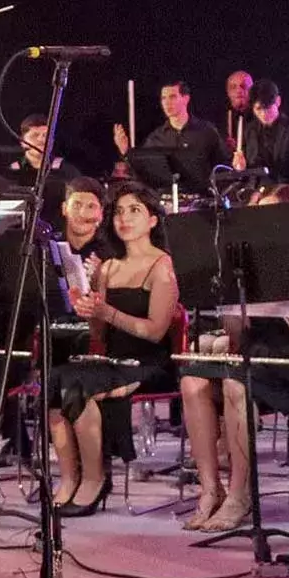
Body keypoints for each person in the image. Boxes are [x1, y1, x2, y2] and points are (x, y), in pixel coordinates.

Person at [176, 185, 289, 532]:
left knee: (235, 383)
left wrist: (283, 305)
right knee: (192, 380)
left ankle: (240, 494)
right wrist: (236, 302)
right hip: (252, 351)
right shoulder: (247, 259)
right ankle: (209, 490)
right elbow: (236, 333)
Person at [46, 182, 178, 518]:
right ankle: (69, 476)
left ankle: (95, 478)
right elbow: (99, 334)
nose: (124, 218)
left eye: (134, 210)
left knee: (81, 387)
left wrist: (109, 313)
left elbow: (156, 331)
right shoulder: (107, 267)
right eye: (119, 211)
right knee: (53, 382)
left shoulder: (162, 266)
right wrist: (87, 307)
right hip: (111, 359)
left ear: (152, 220)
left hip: (149, 362)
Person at [114, 81, 228, 195]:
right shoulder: (155, 138)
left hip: (202, 201)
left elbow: (224, 166)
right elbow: (143, 176)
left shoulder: (206, 131)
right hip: (168, 202)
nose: (167, 103)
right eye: (163, 98)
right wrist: (126, 152)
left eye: (172, 97)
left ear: (186, 99)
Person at [233, 79, 289, 187]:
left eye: (267, 108)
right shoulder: (249, 131)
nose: (263, 114)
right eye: (258, 109)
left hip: (285, 192)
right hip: (256, 194)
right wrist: (240, 168)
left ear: (278, 101)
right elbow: (245, 176)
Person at [222, 70, 254, 146]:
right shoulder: (218, 119)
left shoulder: (260, 118)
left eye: (244, 86)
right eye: (233, 87)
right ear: (228, 92)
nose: (239, 90)